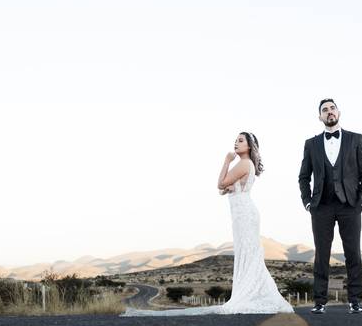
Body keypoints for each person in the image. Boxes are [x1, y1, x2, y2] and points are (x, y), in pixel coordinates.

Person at [121, 132, 293, 316]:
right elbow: (230, 187)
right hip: (245, 212)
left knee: (247, 255)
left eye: (240, 141)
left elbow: (220, 184)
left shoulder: (242, 163)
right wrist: (230, 188)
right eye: (235, 140)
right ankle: (253, 295)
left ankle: (249, 297)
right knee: (248, 254)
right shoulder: (247, 165)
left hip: (244, 214)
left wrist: (226, 161)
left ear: (249, 146)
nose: (236, 143)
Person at [298, 98, 362, 314]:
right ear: (320, 117)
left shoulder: (355, 139)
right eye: (324, 110)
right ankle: (320, 302)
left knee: (353, 253)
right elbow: (304, 176)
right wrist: (307, 201)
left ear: (338, 112)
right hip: (321, 206)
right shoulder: (311, 144)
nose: (329, 112)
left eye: (332, 108)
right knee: (322, 255)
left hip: (350, 204)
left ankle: (355, 300)